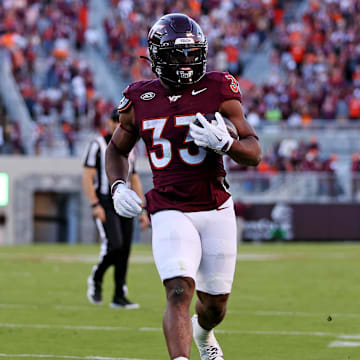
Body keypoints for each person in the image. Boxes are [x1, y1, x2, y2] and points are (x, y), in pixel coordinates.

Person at [106, 14, 261, 360]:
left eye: (193, 53)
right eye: (179, 54)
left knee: (215, 306)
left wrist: (227, 146)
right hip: (169, 207)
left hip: (215, 206)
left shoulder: (218, 88)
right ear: (158, 56)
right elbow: (116, 149)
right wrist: (117, 186)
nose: (188, 62)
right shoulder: (139, 98)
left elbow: (254, 152)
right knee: (178, 290)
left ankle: (203, 332)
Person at [82, 108, 149, 309]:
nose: (116, 125)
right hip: (105, 199)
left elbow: (134, 178)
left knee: (126, 248)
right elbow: (87, 176)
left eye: (119, 121)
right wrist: (94, 204)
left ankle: (119, 295)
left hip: (126, 200)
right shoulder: (97, 144)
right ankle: (97, 276)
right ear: (108, 123)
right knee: (116, 245)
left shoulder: (132, 147)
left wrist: (142, 208)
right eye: (113, 121)